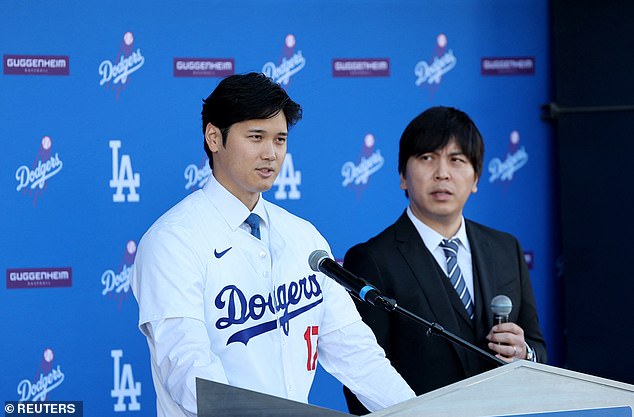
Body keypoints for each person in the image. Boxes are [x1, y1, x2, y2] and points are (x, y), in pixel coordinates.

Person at [130, 72, 415, 417]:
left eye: (280, 139)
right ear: (213, 137)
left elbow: (356, 353)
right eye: (256, 137)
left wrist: (418, 414)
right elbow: (189, 372)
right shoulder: (171, 241)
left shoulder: (303, 236)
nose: (271, 153)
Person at [342, 106, 547, 415]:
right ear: (402, 176)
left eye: (457, 160)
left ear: (476, 177)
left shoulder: (506, 249)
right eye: (427, 158)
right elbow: (361, 378)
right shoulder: (371, 260)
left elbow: (537, 347)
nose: (442, 173)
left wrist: (526, 354)